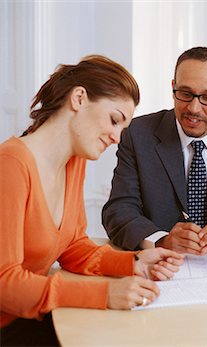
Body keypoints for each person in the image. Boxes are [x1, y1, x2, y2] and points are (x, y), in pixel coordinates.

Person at [0, 55, 184, 346]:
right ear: (79, 98)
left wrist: (135, 263)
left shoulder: (74, 161)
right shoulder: (11, 164)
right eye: (114, 120)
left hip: (32, 317)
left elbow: (73, 247)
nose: (116, 138)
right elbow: (3, 283)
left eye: (123, 129)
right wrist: (104, 295)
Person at [102, 46, 207, 255]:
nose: (194, 108)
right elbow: (119, 211)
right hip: (159, 270)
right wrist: (161, 240)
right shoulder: (138, 134)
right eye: (185, 94)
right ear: (173, 88)